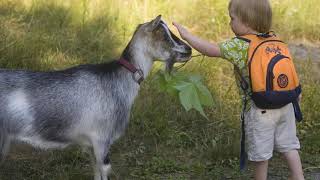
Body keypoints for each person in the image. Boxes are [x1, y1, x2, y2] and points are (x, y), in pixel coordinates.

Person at [173, 0, 305, 179]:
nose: (230, 22)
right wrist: (296, 97)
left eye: (232, 18)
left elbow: (211, 49)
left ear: (247, 22)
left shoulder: (240, 45)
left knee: (260, 156)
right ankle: (299, 177)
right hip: (286, 105)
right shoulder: (275, 41)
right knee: (289, 145)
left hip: (260, 110)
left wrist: (187, 36)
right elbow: (288, 73)